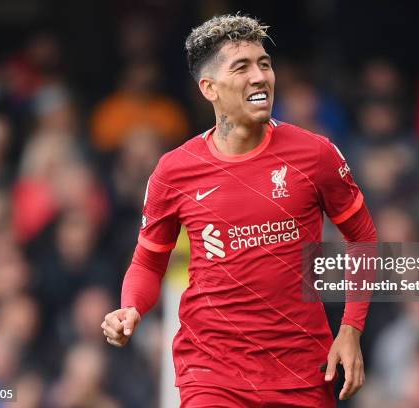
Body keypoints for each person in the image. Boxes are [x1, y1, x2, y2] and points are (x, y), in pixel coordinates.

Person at [101, 14, 377, 407]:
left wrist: (350, 328)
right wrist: (130, 308)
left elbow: (362, 237)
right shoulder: (174, 171)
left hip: (301, 370)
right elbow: (148, 261)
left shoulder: (315, 155)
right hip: (212, 371)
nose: (260, 76)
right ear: (209, 88)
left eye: (264, 64)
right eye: (242, 67)